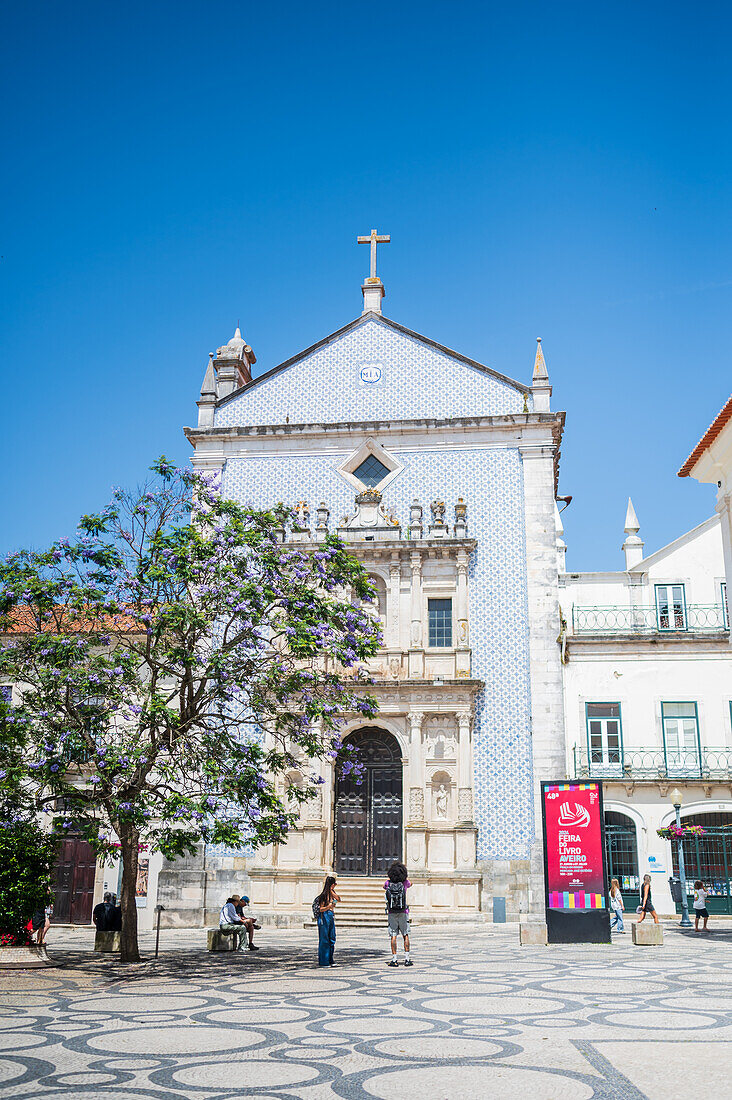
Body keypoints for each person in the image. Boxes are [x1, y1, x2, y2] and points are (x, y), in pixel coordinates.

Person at [384, 861, 413, 966]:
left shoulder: (388, 883)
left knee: (393, 935)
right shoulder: (405, 883)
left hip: (392, 912)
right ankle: (407, 958)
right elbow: (410, 884)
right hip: (403, 912)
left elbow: (384, 887)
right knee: (405, 934)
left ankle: (394, 959)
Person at [315, 876, 340, 967]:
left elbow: (338, 899)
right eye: (334, 884)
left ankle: (330, 959)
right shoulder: (323, 896)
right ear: (332, 884)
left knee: (332, 938)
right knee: (324, 939)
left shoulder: (332, 894)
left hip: (330, 916)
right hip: (324, 916)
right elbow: (321, 909)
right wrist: (328, 907)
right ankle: (323, 961)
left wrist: (331, 891)